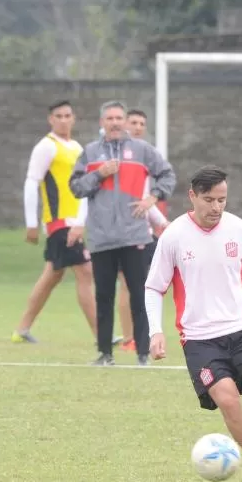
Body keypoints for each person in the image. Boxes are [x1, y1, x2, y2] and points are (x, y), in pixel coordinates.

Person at [144, 165, 242, 482]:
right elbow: (154, 287)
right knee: (227, 400)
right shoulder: (174, 235)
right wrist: (155, 331)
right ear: (193, 196)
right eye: (209, 200)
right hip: (199, 338)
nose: (216, 208)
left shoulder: (240, 229)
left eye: (222, 200)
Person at [70, 100, 176, 366]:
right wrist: (99, 175)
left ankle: (143, 353)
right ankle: (105, 354)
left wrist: (152, 197)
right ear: (101, 123)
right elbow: (76, 187)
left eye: (119, 118)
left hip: (135, 236)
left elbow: (167, 175)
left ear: (125, 121)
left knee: (140, 295)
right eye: (110, 118)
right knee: (103, 295)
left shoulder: (142, 150)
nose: (115, 123)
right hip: (102, 238)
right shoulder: (90, 153)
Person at [12, 100, 96, 344]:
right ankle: (101, 335)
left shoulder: (77, 147)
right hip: (59, 222)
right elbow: (31, 182)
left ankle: (22, 329)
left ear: (74, 118)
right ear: (50, 119)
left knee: (53, 274)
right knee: (85, 270)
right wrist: (31, 223)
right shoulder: (46, 147)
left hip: (74, 221)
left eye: (67, 115)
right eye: (58, 115)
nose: (63, 119)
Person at [117, 108, 168, 352]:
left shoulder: (144, 156)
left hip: (144, 230)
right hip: (122, 231)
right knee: (128, 283)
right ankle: (129, 338)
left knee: (147, 283)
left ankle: (142, 333)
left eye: (141, 123)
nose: (138, 127)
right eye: (133, 122)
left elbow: (145, 198)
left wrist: (160, 222)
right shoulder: (117, 156)